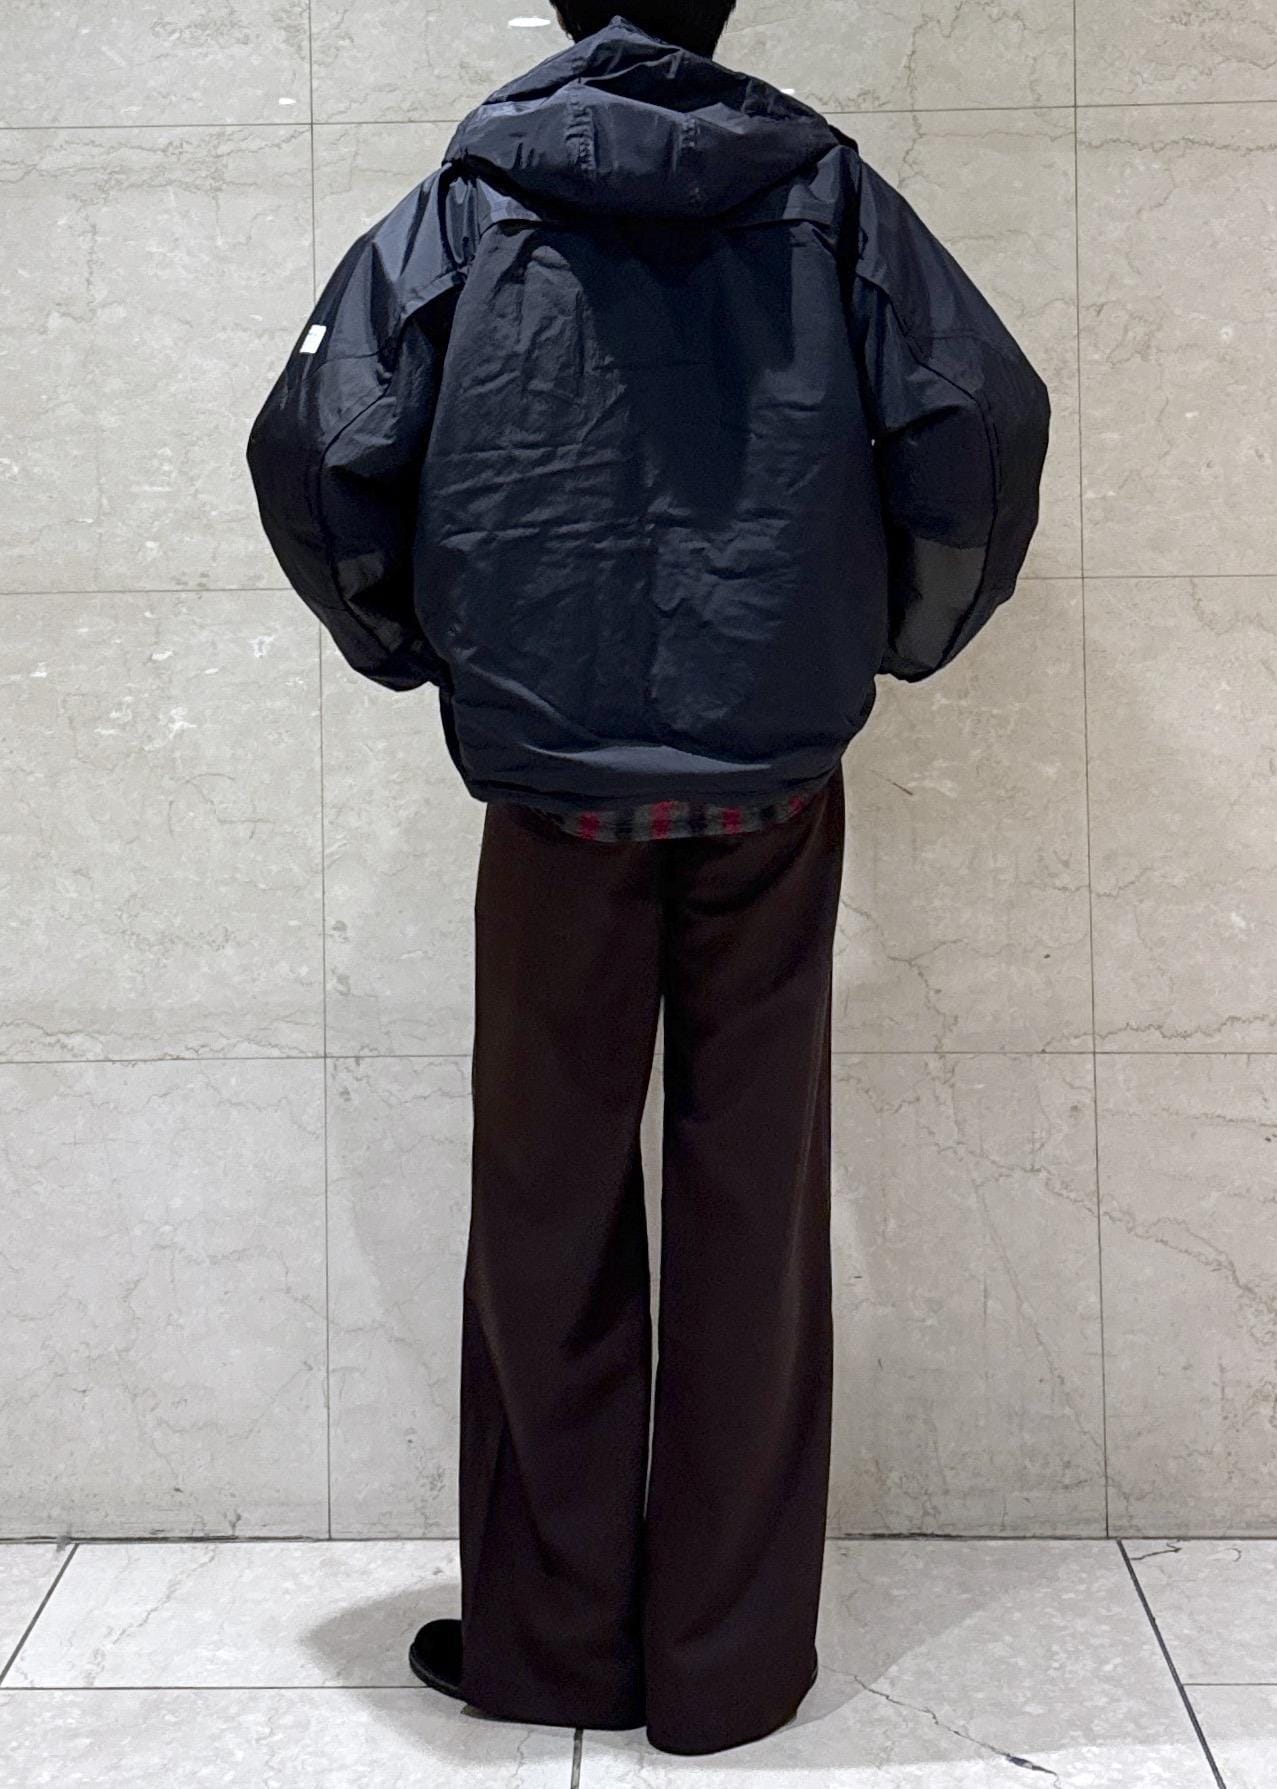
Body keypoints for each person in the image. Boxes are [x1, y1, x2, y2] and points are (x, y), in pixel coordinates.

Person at [246, 0, 1050, 1755]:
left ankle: (548, 1647)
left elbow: (312, 442)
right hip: (768, 782)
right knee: (754, 1202)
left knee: (544, 1202)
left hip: (552, 792)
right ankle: (724, 1665)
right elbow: (979, 421)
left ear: (562, 7)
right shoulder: (829, 199)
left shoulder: (467, 208)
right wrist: (888, 640)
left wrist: (419, 646)